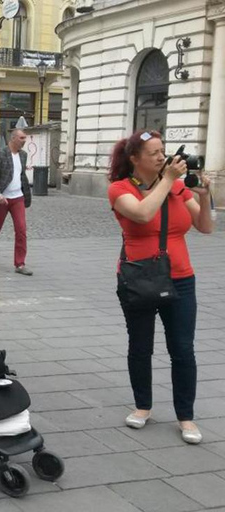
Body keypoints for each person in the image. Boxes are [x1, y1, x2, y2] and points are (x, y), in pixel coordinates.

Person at [108, 130, 213, 444]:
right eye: (153, 152)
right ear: (135, 159)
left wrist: (205, 196)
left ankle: (186, 417)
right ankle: (142, 407)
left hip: (181, 277)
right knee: (140, 346)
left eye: (162, 150)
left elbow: (205, 227)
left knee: (182, 349)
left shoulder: (178, 187)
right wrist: (167, 180)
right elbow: (142, 213)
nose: (161, 156)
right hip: (138, 277)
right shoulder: (119, 189)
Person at [0, 129, 33, 276]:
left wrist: (26, 193)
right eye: (22, 138)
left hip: (18, 198)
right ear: (13, 139)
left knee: (21, 230)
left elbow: (21, 175)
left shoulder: (23, 155)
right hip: (2, 199)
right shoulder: (0, 154)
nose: (24, 140)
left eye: (25, 138)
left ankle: (20, 264)